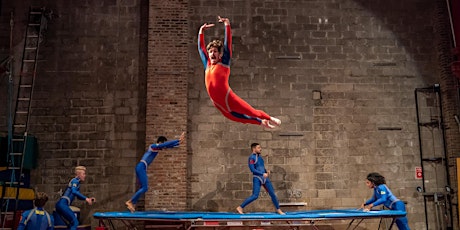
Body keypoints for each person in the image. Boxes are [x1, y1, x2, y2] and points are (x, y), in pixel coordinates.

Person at [198, 16, 281, 129]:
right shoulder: (207, 65)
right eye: (210, 52)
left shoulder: (224, 63)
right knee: (239, 119)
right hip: (218, 105)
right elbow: (200, 48)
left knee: (252, 112)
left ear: (220, 54)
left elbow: (227, 45)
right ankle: (261, 123)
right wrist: (201, 31)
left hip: (229, 99)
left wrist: (227, 24)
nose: (212, 54)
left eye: (215, 52)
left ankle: (269, 118)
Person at [125, 132, 185, 212]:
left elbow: (167, 146)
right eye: (162, 145)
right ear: (160, 142)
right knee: (145, 187)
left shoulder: (157, 148)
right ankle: (130, 201)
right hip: (141, 167)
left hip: (142, 167)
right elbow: (164, 145)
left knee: (143, 187)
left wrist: (178, 143)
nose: (163, 149)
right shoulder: (153, 146)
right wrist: (177, 140)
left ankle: (132, 203)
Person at [236, 143, 285, 215]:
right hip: (257, 178)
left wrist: (266, 172)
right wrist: (262, 174)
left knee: (273, 194)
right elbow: (253, 170)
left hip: (265, 178)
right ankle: (240, 207)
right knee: (255, 196)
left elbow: (261, 168)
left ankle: (278, 209)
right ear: (254, 149)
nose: (260, 149)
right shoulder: (251, 158)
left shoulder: (260, 158)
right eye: (258, 148)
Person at [55, 166, 95, 230]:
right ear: (79, 174)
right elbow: (74, 191)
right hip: (63, 205)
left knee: (70, 224)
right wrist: (86, 199)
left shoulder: (77, 183)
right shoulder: (75, 181)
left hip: (60, 205)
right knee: (75, 222)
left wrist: (88, 198)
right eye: (83, 174)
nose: (85, 175)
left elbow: (78, 196)